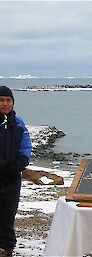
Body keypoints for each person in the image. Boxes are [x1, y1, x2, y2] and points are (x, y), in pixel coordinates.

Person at [0, 86, 32, 257]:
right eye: (1, 100)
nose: (5, 104)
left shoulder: (18, 123)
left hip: (12, 178)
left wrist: (20, 163)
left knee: (8, 214)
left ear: (12, 102)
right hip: (3, 172)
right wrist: (4, 165)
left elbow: (26, 147)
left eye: (8, 100)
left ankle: (7, 248)